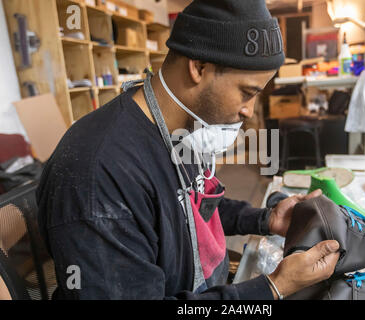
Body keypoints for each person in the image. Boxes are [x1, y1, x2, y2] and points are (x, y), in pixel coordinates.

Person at [36, 0, 340, 300]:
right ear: (199, 66)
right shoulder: (99, 175)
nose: (249, 111)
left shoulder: (182, 129)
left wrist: (264, 219)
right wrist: (271, 289)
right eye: (247, 93)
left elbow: (190, 207)